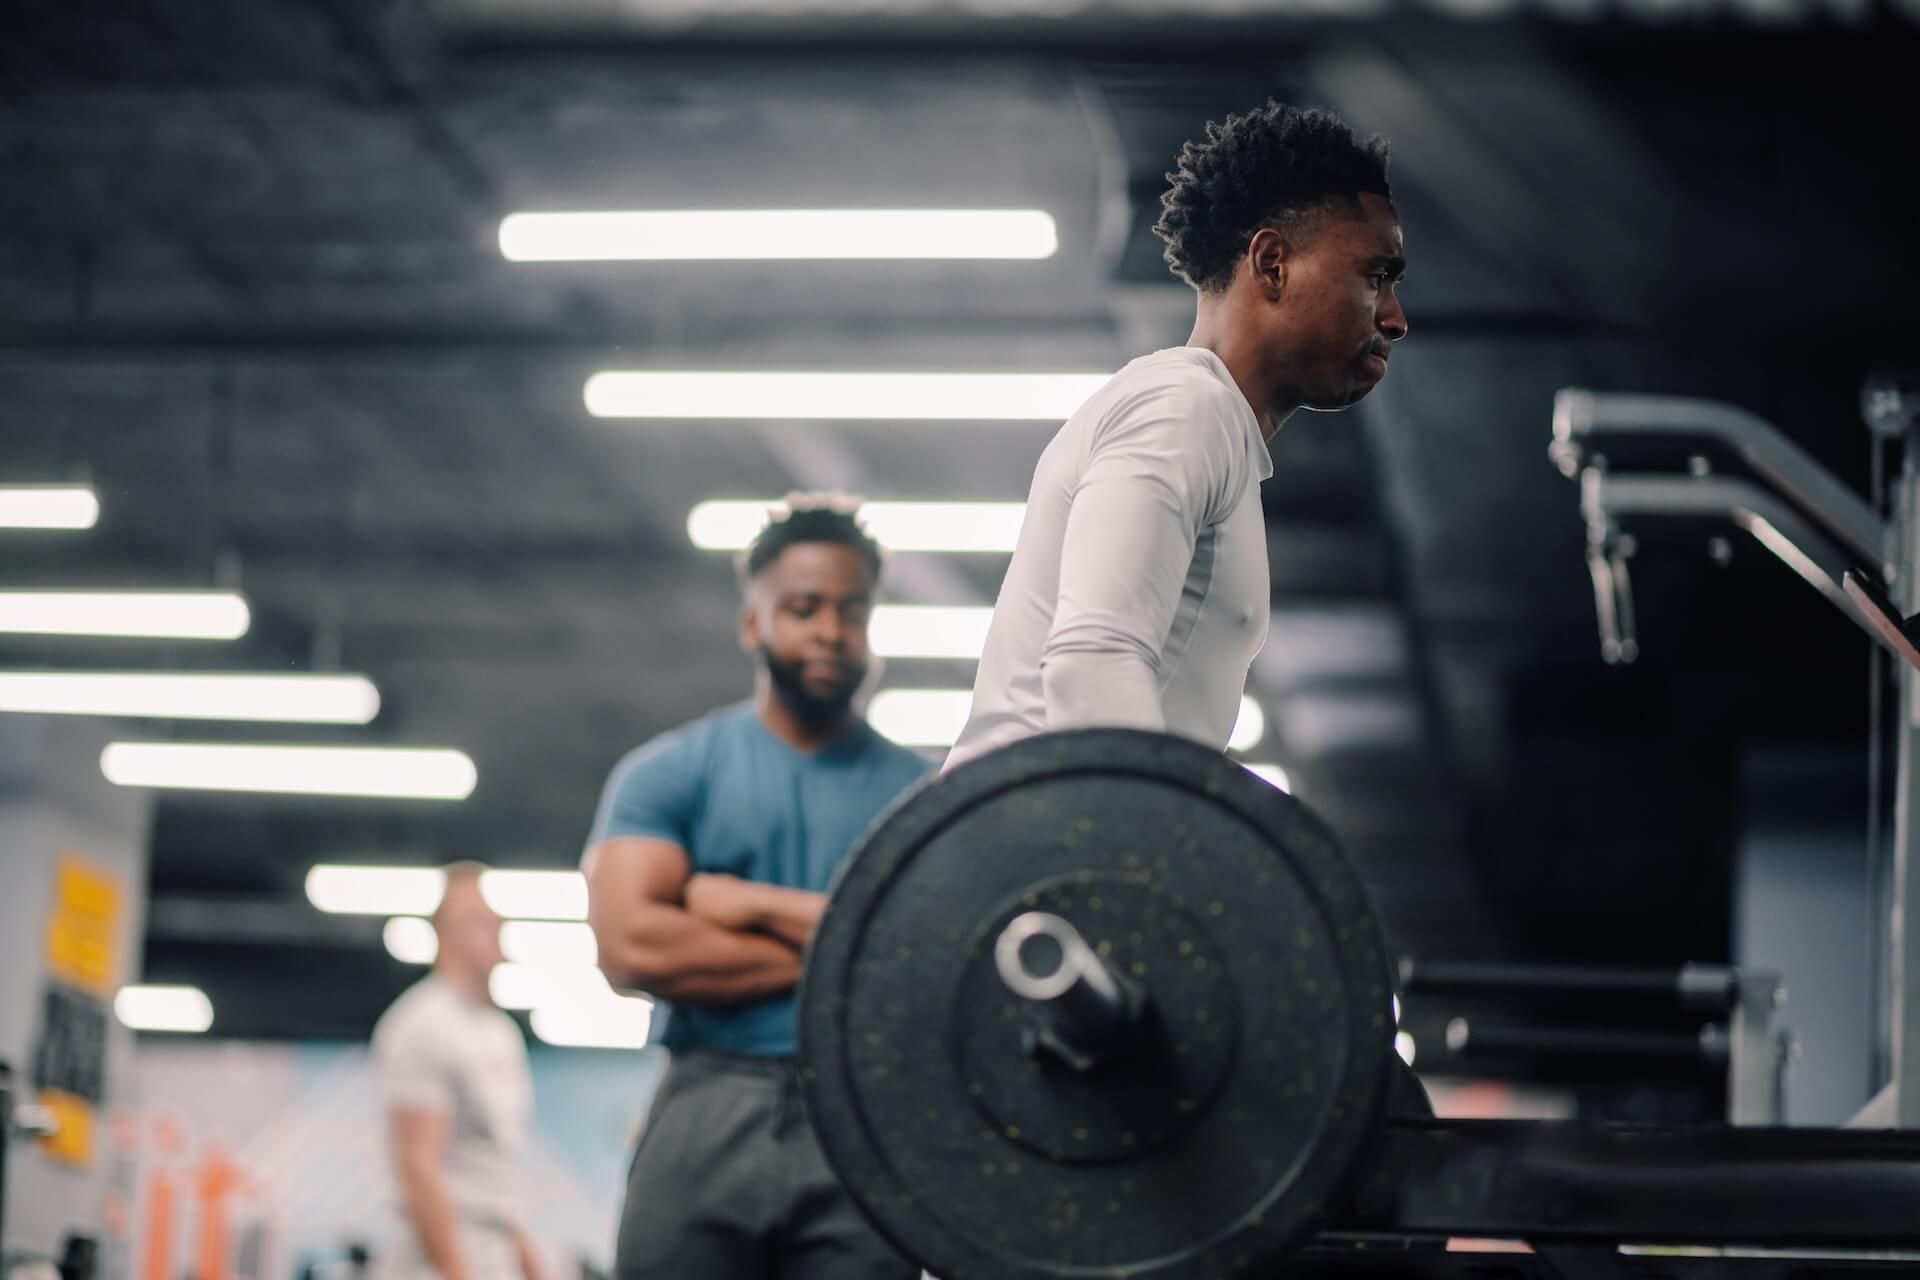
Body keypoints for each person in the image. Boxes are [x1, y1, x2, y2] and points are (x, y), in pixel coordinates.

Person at [946, 100, 1407, 770]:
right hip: (1036, 855)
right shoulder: (1183, 409)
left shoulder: (1211, 427)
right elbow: (1092, 663)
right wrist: (1164, 859)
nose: (1394, 319)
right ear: (1272, 263)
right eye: (1376, 276)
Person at [582, 496, 930, 1280]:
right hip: (710, 1096)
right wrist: (858, 948)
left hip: (864, 1115)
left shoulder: (923, 797)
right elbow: (630, 947)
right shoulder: (669, 773)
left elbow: (936, 957)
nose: (829, 632)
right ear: (753, 624)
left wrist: (754, 906)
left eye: (852, 611)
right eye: (803, 608)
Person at [371, 863, 542, 1280]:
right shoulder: (421, 1024)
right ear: (445, 935)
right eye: (480, 921)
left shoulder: (501, 1033)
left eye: (497, 919)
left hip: (493, 1244)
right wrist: (454, 1271)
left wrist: (528, 1260)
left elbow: (498, 1173)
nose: (496, 928)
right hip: (440, 1254)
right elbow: (418, 1167)